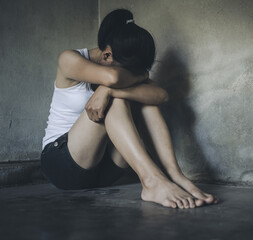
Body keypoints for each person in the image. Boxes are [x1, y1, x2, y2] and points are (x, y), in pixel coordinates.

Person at [41, 9, 217, 209]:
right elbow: (113, 79)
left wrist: (114, 91)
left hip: (103, 171)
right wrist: (118, 85)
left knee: (135, 97)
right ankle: (151, 182)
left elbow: (161, 95)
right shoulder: (69, 59)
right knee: (118, 98)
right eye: (129, 72)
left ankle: (174, 175)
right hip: (62, 164)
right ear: (107, 55)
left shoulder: (122, 69)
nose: (130, 76)